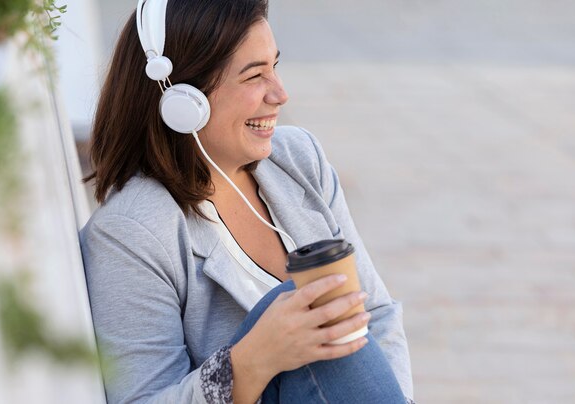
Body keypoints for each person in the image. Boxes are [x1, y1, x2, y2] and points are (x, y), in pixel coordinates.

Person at [79, 0, 414, 403]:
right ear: (182, 99)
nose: (280, 94)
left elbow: (375, 315)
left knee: (323, 311)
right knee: (305, 309)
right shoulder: (132, 233)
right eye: (255, 75)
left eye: (275, 66)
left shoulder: (298, 159)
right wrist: (253, 360)